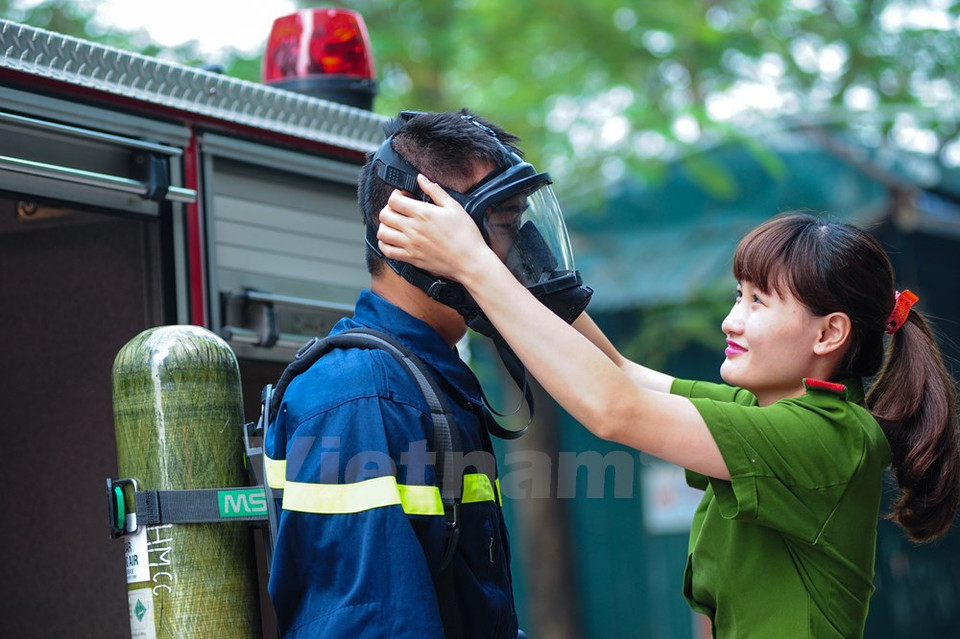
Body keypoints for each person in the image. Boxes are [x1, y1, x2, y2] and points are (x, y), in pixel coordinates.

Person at [376, 181, 960, 638]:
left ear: (829, 333)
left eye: (759, 302)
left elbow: (615, 409)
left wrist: (474, 267)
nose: (731, 321)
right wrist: (525, 272)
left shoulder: (826, 437)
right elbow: (622, 372)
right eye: (739, 295)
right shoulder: (762, 411)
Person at [265, 110, 529, 638]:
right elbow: (373, 626)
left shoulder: (424, 379)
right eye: (504, 225)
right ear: (418, 229)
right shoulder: (367, 396)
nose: (519, 252)